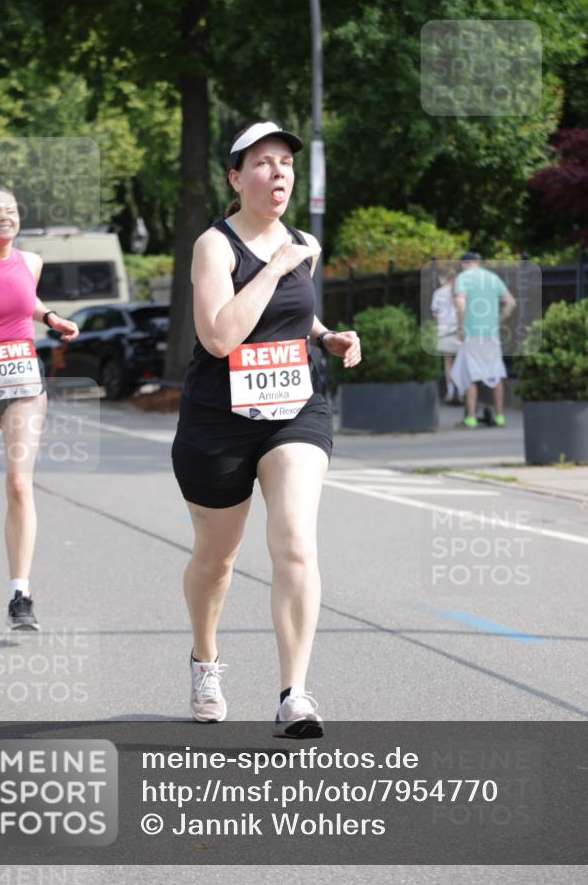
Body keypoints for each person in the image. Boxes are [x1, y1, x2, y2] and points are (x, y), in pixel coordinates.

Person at [171, 121, 361, 738]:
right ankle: (205, 660)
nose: (278, 173)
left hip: (295, 408)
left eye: (285, 163)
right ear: (235, 177)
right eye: (262, 162)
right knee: (217, 559)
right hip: (218, 419)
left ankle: (294, 694)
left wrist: (326, 334)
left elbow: (292, 314)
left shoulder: (304, 242)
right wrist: (275, 266)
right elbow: (221, 335)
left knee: (295, 542)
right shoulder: (216, 246)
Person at [0, 186, 79, 630]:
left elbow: (27, 301)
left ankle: (20, 594)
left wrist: (50, 318)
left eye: (12, 210)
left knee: (21, 487)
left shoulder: (32, 262)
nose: (6, 216)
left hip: (24, 380)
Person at [450, 251, 516, 428]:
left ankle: (470, 418)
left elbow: (461, 304)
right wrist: (499, 319)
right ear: (478, 262)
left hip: (471, 332)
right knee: (496, 373)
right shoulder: (493, 277)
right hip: (491, 333)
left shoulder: (463, 278)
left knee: (471, 374)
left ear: (465, 264)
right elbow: (511, 303)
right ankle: (500, 416)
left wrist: (461, 326)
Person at [430, 267, 461, 404]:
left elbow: (435, 312)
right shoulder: (459, 292)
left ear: (443, 279)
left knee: (448, 362)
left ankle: (450, 391)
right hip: (458, 329)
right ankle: (461, 391)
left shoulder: (438, 292)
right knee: (460, 361)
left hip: (444, 329)